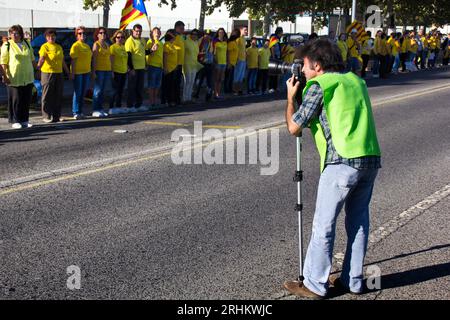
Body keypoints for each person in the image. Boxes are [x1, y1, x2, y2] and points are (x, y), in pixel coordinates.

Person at [283, 39, 381, 299]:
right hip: (369, 157)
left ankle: (315, 283)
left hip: (342, 161)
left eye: (304, 65)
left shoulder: (319, 85)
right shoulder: (356, 80)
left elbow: (294, 127)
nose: (302, 71)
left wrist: (291, 97)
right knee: (358, 221)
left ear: (316, 65)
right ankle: (353, 280)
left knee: (324, 224)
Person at [0, 25, 37, 129]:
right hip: (14, 77)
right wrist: (5, 75)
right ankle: (15, 120)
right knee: (15, 100)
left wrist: (37, 70)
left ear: (20, 34)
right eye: (12, 33)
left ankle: (24, 120)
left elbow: (32, 59)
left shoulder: (27, 43)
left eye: (16, 33)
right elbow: (3, 62)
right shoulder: (7, 45)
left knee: (26, 99)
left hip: (28, 76)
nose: (14, 35)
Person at [37, 28, 70, 123]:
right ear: (46, 38)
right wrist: (38, 67)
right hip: (47, 73)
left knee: (58, 95)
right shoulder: (44, 47)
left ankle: (57, 116)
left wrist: (67, 72)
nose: (51, 38)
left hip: (59, 73)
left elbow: (62, 61)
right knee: (47, 95)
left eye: (53, 36)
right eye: (49, 36)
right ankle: (46, 116)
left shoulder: (59, 47)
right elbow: (42, 58)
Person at [70, 26, 92, 119]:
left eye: (83, 33)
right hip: (78, 72)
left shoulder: (87, 46)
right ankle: (75, 112)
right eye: (80, 33)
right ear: (77, 36)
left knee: (83, 93)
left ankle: (80, 111)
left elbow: (89, 59)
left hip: (86, 72)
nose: (82, 35)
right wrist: (73, 73)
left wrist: (90, 71)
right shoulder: (75, 45)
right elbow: (73, 60)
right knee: (77, 92)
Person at [125, 24, 147, 113]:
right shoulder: (130, 41)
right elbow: (128, 56)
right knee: (131, 88)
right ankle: (130, 106)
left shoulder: (142, 40)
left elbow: (144, 52)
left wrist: (152, 50)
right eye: (137, 31)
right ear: (132, 31)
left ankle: (139, 105)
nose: (138, 33)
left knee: (140, 88)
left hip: (141, 68)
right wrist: (131, 68)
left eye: (140, 31)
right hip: (134, 69)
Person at [92, 27, 111, 117]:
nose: (103, 34)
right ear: (97, 35)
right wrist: (94, 71)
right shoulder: (96, 44)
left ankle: (100, 109)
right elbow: (94, 59)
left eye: (104, 33)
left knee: (103, 91)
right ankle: (95, 109)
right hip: (99, 70)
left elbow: (109, 58)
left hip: (107, 70)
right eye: (101, 33)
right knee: (97, 91)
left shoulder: (107, 44)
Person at [109, 30, 128, 114]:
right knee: (114, 90)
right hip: (116, 71)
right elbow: (111, 60)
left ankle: (118, 106)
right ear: (115, 38)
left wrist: (127, 68)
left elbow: (126, 59)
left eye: (122, 37)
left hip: (124, 72)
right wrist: (112, 71)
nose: (120, 39)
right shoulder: (113, 47)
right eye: (118, 37)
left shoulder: (124, 47)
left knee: (121, 90)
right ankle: (111, 107)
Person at [146, 27, 164, 109]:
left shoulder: (160, 43)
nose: (157, 33)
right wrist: (152, 49)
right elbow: (148, 54)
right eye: (155, 31)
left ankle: (155, 100)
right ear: (152, 33)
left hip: (159, 66)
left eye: (158, 32)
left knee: (157, 85)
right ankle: (151, 102)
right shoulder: (150, 42)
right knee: (151, 84)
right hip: (152, 66)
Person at [194, 29, 214, 101]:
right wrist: (201, 54)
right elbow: (195, 52)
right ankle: (196, 94)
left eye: (209, 35)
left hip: (209, 64)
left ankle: (208, 95)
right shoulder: (200, 41)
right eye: (206, 34)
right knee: (199, 80)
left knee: (209, 81)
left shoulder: (211, 42)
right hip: (201, 63)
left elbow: (212, 53)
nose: (207, 36)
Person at [183, 29, 202, 104]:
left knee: (191, 82)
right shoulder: (186, 41)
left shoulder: (196, 42)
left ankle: (189, 98)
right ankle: (185, 98)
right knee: (187, 82)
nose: (194, 35)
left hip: (194, 64)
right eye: (193, 34)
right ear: (190, 34)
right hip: (187, 64)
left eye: (196, 34)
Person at [161, 29, 178, 107]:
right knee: (167, 86)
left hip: (173, 68)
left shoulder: (172, 44)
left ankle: (170, 100)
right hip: (168, 69)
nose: (175, 36)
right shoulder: (167, 45)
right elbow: (165, 57)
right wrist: (165, 68)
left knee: (171, 86)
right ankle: (165, 101)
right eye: (174, 35)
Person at [212, 28, 228, 99]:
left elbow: (226, 52)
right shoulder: (215, 41)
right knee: (216, 79)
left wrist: (227, 61)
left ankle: (218, 93)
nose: (221, 33)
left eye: (222, 32)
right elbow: (213, 52)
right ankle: (215, 93)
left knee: (221, 79)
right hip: (217, 62)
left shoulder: (225, 42)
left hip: (224, 62)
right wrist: (215, 60)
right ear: (218, 33)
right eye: (220, 32)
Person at [233, 26, 248, 95]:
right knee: (237, 75)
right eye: (245, 30)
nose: (246, 31)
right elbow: (235, 50)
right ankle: (235, 90)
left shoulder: (244, 39)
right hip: (238, 59)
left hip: (244, 59)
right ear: (240, 30)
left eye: (246, 30)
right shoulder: (238, 38)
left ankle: (239, 89)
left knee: (241, 76)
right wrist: (235, 59)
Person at [173, 20, 185, 104]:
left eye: (183, 28)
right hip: (174, 63)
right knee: (174, 83)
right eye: (181, 28)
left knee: (178, 82)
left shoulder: (181, 37)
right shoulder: (173, 36)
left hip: (180, 63)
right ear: (176, 28)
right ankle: (174, 99)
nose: (182, 30)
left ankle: (177, 99)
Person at [225, 28, 239, 94]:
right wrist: (228, 62)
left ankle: (230, 89)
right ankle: (227, 89)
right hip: (230, 62)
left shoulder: (235, 42)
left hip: (233, 62)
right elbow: (228, 52)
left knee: (231, 77)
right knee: (228, 77)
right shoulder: (231, 43)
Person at [269, 27, 283, 93]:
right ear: (279, 33)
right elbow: (272, 48)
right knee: (273, 73)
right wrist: (273, 57)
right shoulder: (273, 38)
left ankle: (275, 87)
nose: (282, 35)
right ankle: (271, 87)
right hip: (274, 58)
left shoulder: (277, 39)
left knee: (276, 73)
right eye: (281, 33)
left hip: (277, 57)